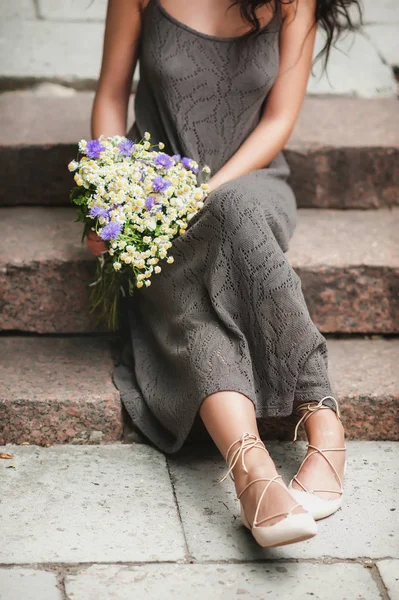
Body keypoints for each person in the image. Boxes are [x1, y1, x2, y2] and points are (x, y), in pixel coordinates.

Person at [87, 0, 360, 548]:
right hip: (157, 191)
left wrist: (206, 194)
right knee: (197, 301)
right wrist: (109, 191)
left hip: (253, 184)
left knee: (233, 211)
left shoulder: (293, 1)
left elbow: (279, 120)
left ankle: (299, 436)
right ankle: (259, 468)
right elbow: (112, 94)